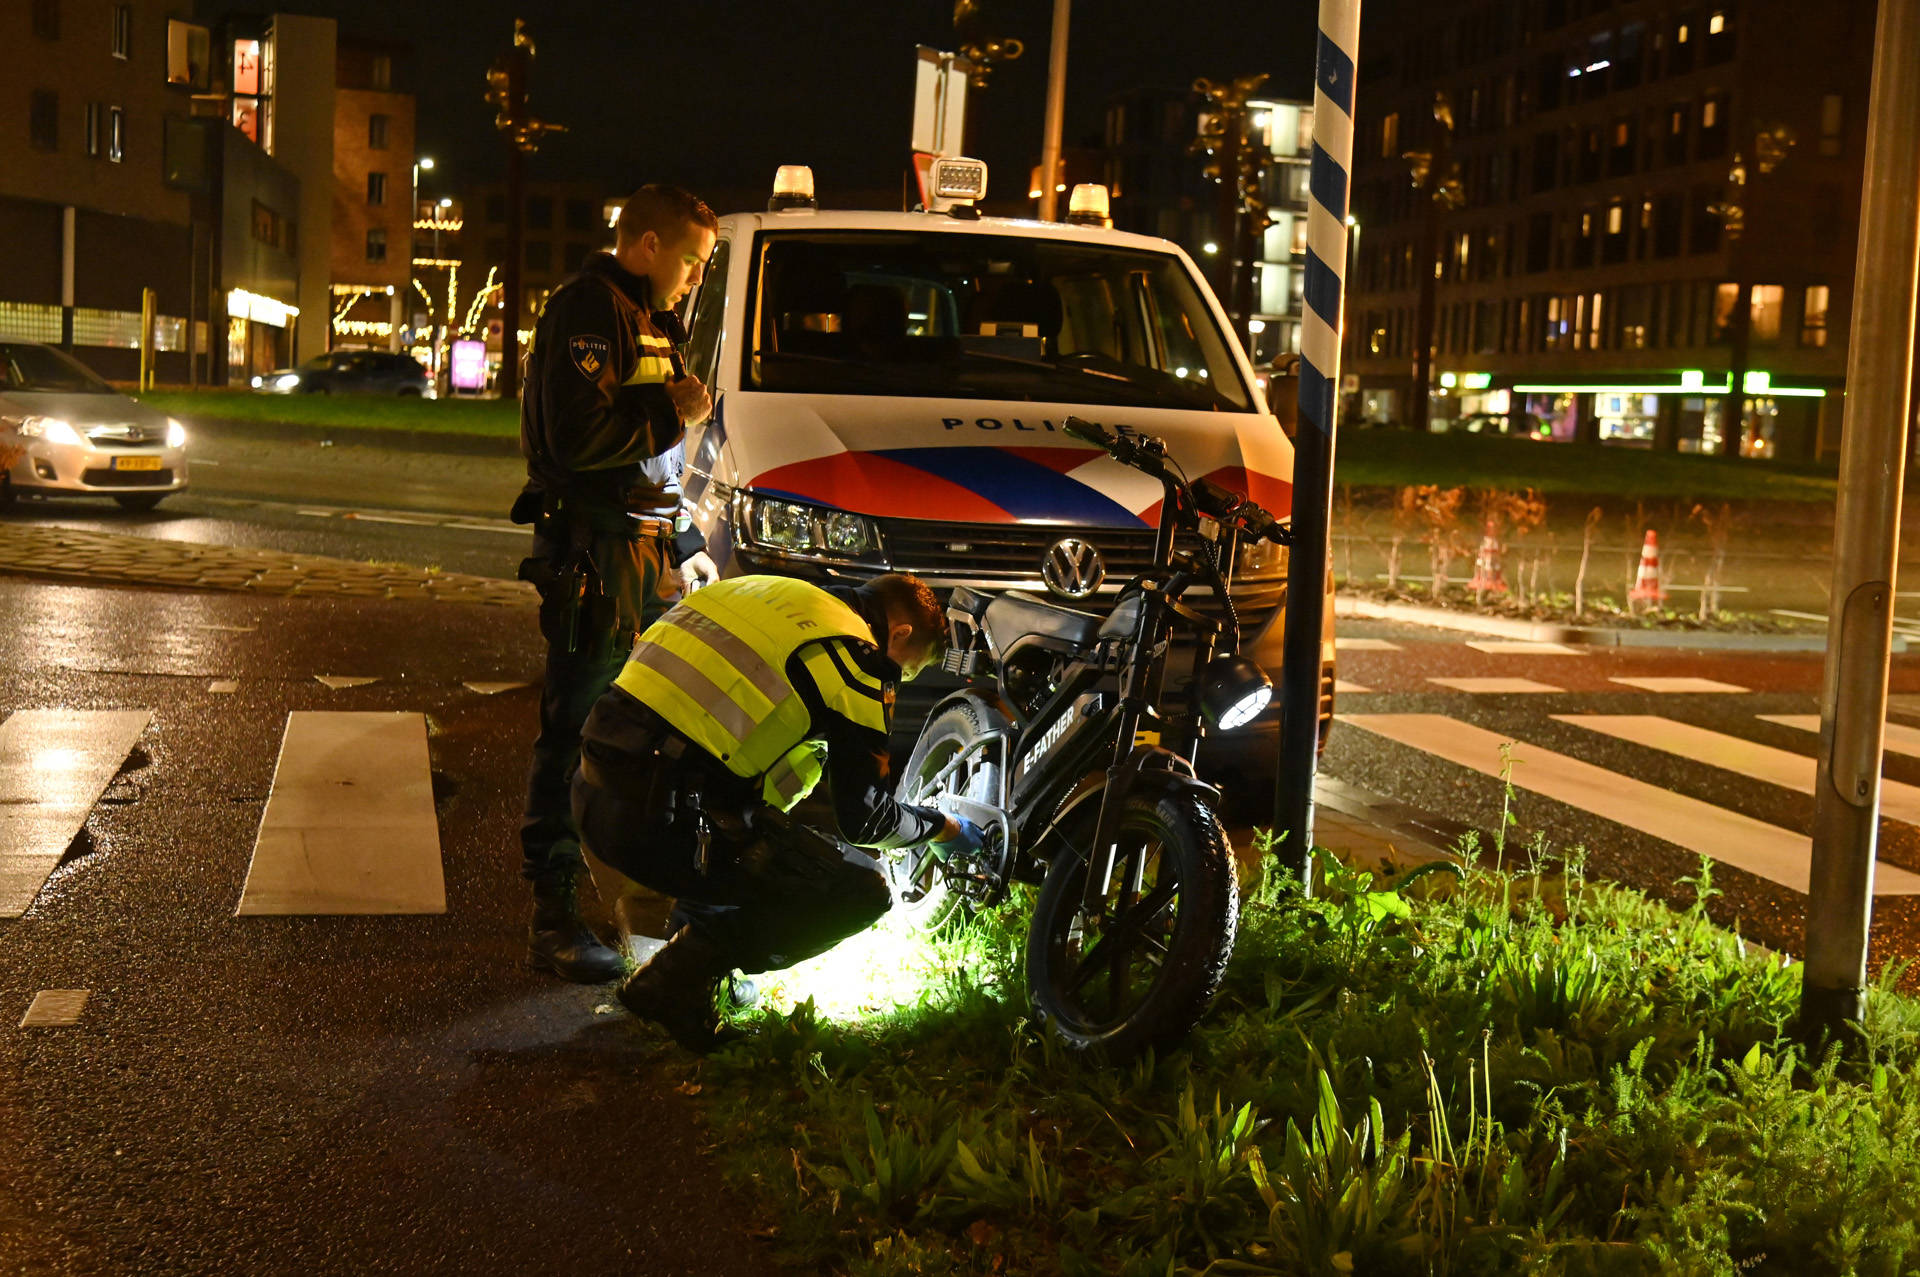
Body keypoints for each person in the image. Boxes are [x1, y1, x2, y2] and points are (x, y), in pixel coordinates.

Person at [571, 572, 986, 1052]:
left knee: (744, 821)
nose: (901, 679)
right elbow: (866, 819)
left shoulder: (769, 594)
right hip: (658, 826)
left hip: (593, 796)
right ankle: (674, 980)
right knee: (860, 890)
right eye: (909, 669)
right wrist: (942, 827)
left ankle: (690, 951)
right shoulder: (858, 659)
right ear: (900, 634)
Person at [512, 184, 721, 984]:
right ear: (647, 245)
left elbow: (655, 460)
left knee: (651, 731)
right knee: (573, 728)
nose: (695, 278)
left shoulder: (652, 318)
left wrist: (685, 539)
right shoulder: (589, 312)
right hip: (597, 551)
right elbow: (578, 439)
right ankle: (554, 914)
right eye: (691, 261)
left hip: (647, 551)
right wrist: (674, 413)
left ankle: (652, 895)